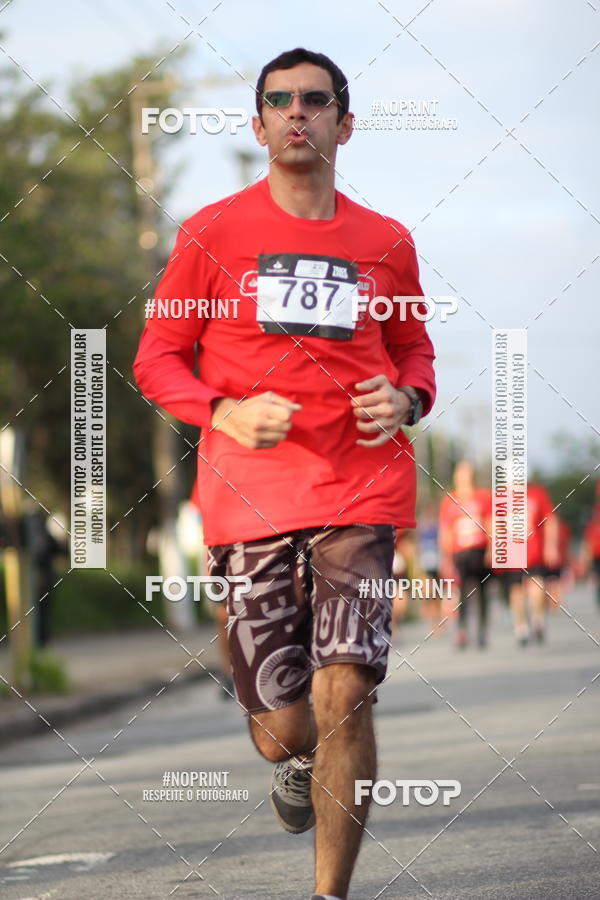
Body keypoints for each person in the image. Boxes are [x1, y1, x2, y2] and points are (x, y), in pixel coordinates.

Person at [134, 47, 436, 900]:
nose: (296, 113)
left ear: (346, 122)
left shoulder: (386, 242)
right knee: (284, 729)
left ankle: (329, 894)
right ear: (259, 123)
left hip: (361, 491)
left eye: (314, 100)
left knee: (347, 690)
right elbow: (157, 358)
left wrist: (407, 399)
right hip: (247, 497)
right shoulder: (212, 233)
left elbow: (416, 351)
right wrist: (221, 412)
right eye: (279, 101)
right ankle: (295, 761)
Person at [438, 461, 492, 648]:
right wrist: (446, 558)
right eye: (460, 475)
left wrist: (492, 549)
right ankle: (462, 631)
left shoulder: (483, 497)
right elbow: (445, 531)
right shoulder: (449, 500)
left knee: (482, 591)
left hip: (480, 550)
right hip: (460, 553)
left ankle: (482, 631)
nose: (463, 479)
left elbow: (491, 523)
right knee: (462, 593)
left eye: (466, 475)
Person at [508, 481, 560, 645]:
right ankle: (521, 627)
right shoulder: (501, 497)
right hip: (511, 553)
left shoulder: (537, 494)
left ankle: (537, 618)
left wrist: (551, 546)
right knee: (516, 590)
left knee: (537, 584)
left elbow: (551, 520)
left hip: (534, 550)